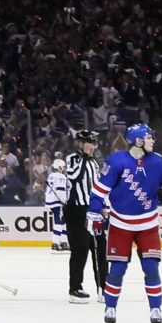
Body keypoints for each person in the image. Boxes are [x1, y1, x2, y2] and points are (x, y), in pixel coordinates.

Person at [90, 121, 162, 323]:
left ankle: (155, 308)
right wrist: (93, 212)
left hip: (148, 225)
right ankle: (110, 306)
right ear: (138, 140)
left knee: (151, 268)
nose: (153, 140)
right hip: (120, 225)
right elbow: (99, 191)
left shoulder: (158, 162)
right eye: (149, 137)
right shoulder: (116, 160)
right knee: (117, 269)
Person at [60, 126, 101, 300]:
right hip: (76, 210)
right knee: (80, 249)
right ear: (82, 144)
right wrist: (84, 156)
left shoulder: (94, 162)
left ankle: (103, 288)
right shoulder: (72, 159)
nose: (93, 147)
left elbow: (98, 185)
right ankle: (75, 288)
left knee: (98, 250)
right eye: (90, 143)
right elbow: (75, 176)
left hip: (92, 210)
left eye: (94, 144)